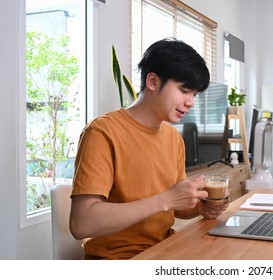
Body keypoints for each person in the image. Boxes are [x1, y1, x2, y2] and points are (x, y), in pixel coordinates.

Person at [69, 38, 228, 260]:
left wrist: (199, 208)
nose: (191, 102)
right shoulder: (102, 132)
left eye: (194, 94)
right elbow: (81, 223)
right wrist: (166, 199)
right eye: (184, 90)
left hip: (164, 251)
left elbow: (174, 206)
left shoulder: (173, 137)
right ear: (153, 81)